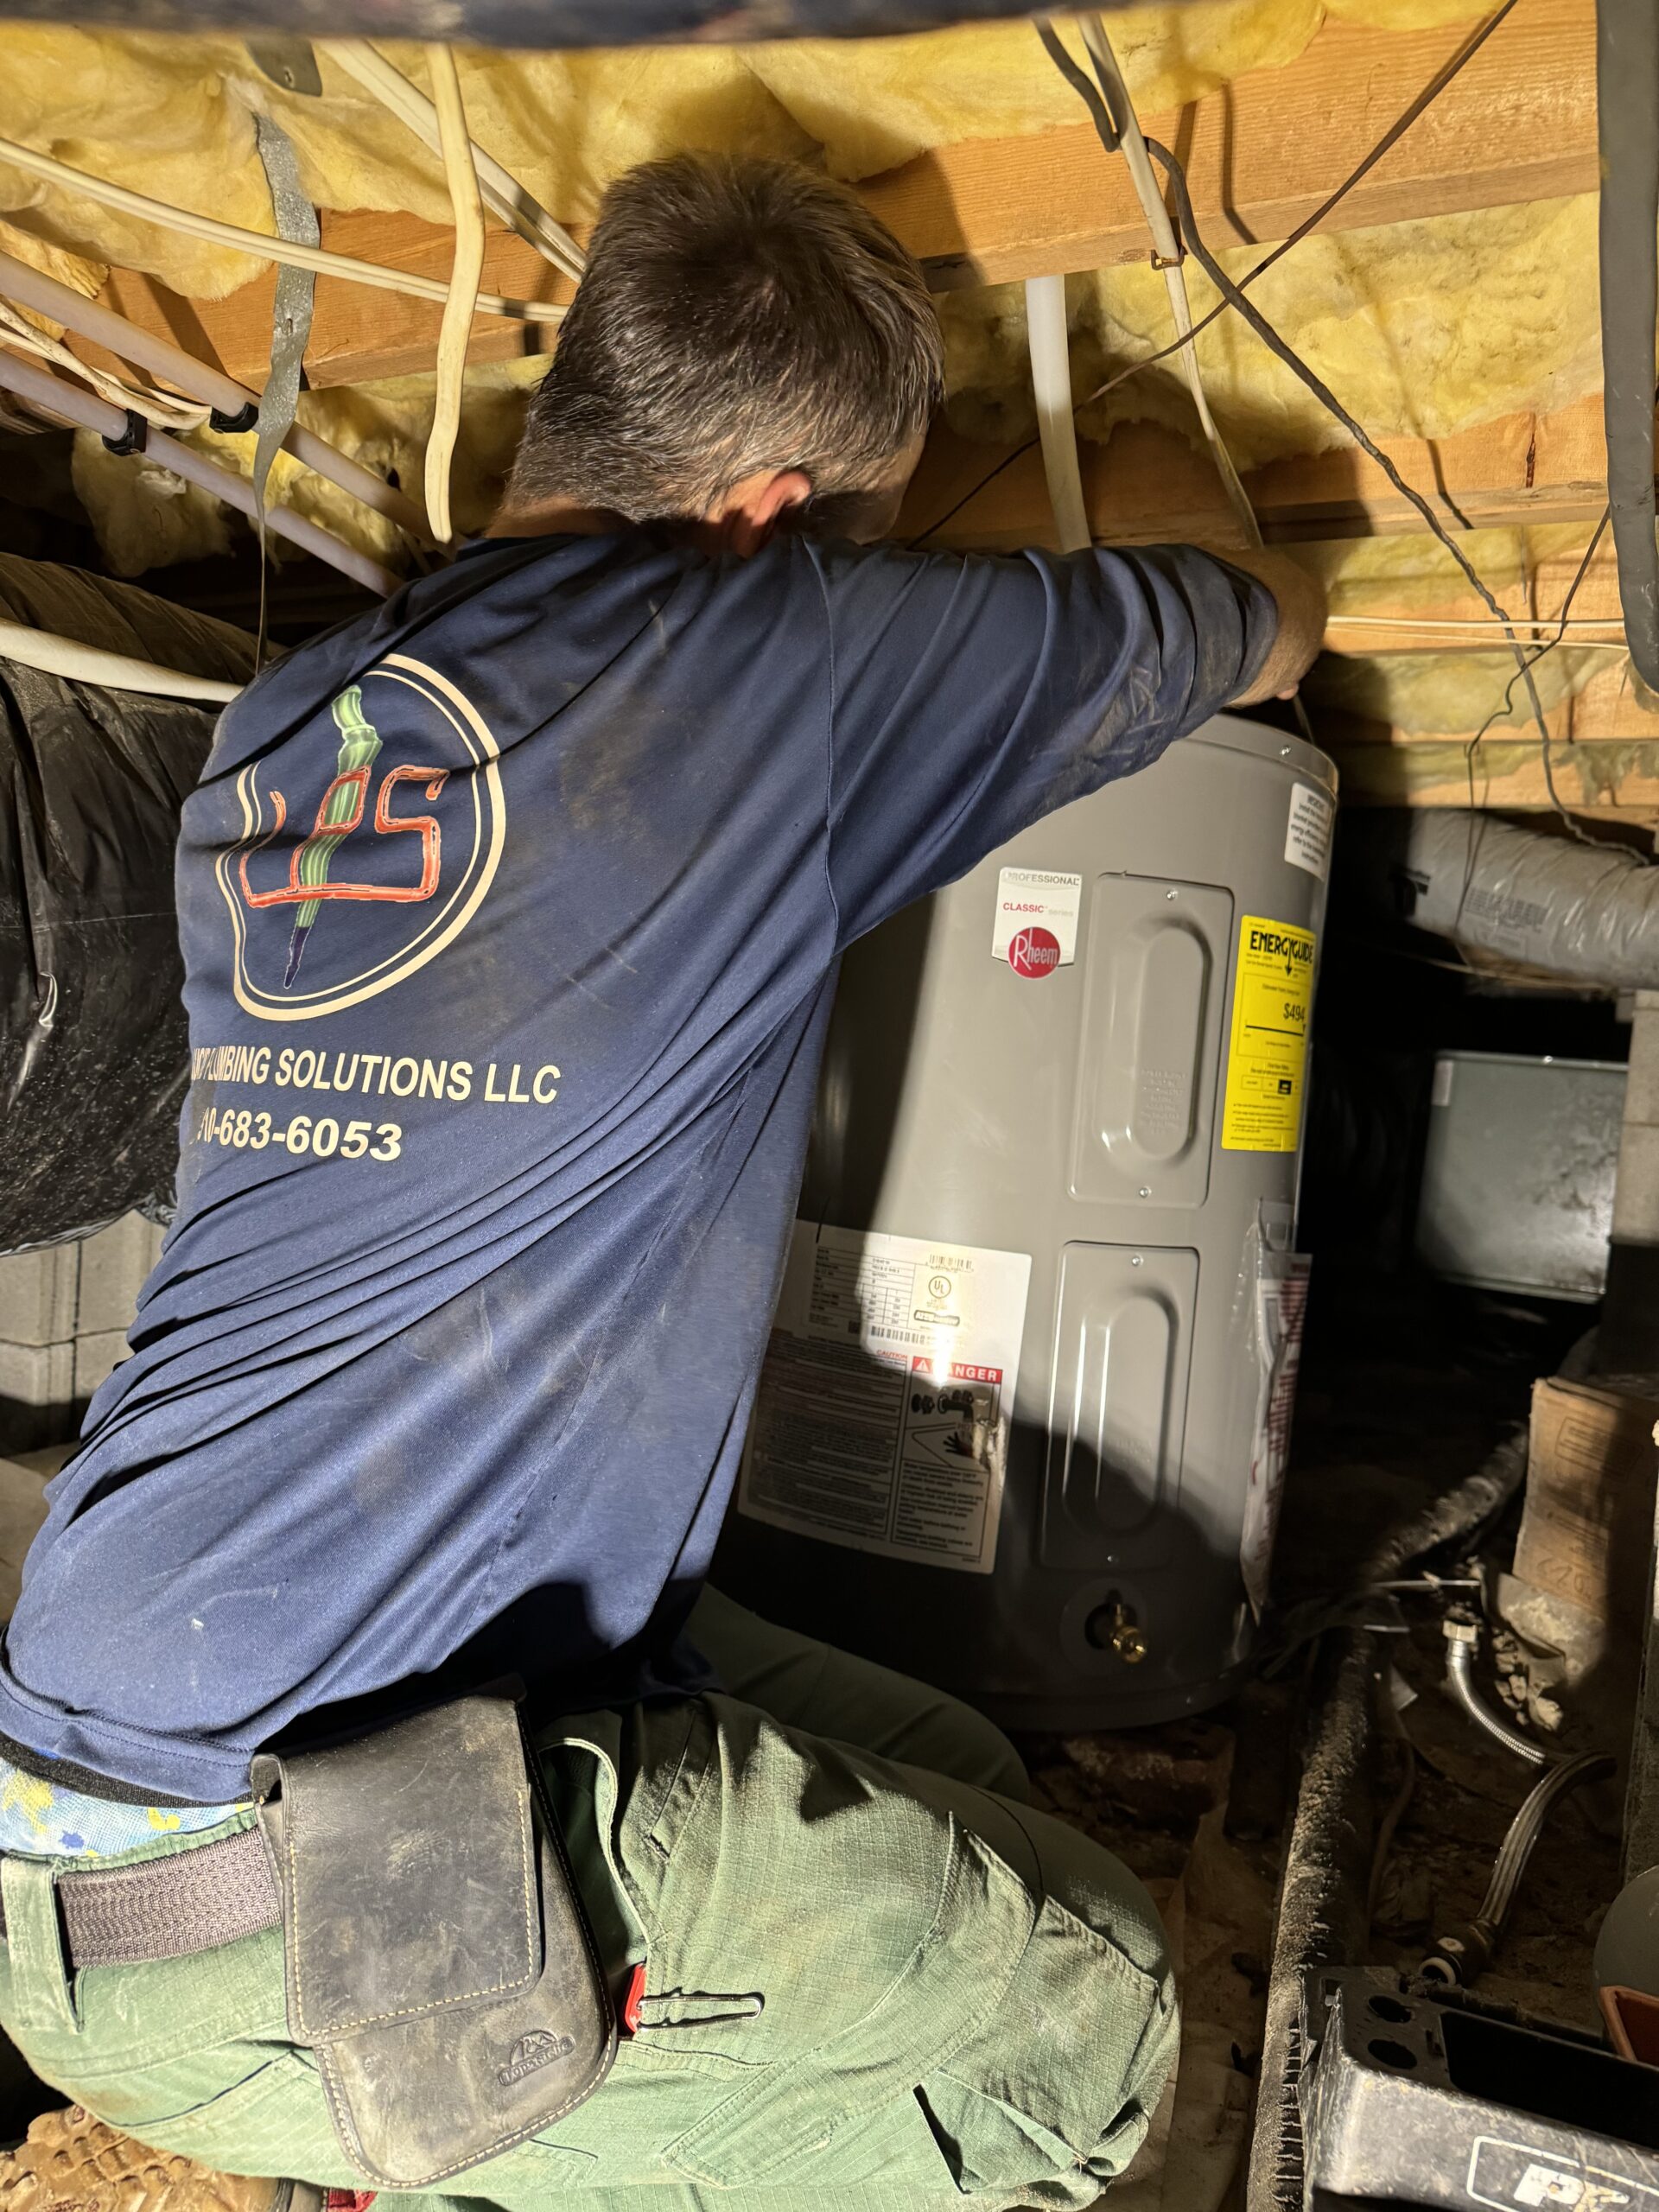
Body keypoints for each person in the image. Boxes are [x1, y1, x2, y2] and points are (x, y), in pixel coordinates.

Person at [0, 152, 1324, 2210]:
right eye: (855, 530)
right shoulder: (762, 664)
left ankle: (513, 2129)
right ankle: (475, 2148)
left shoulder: (282, 729)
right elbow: (1259, 623)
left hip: (83, 1783)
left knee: (958, 1774)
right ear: (775, 511)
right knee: (1095, 2016)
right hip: (284, 1891)